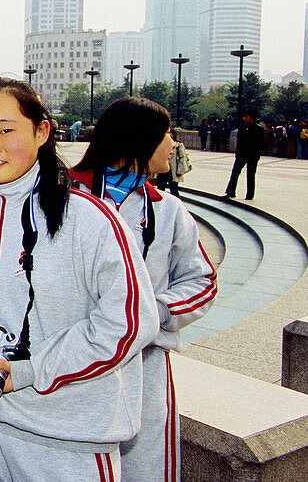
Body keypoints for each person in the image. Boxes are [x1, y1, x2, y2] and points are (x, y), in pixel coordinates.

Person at [0, 77, 158, 480]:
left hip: (68, 438)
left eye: (6, 130)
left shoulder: (91, 219)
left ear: (42, 131)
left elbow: (130, 324)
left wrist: (28, 371)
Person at [71, 97, 217, 481]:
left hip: (146, 363)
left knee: (146, 466)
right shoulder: (62, 199)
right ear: (138, 140)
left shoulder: (167, 210)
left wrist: (154, 313)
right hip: (74, 364)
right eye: (166, 134)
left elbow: (202, 279)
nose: (173, 143)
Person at [224, 110, 264, 200]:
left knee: (250, 175)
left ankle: (250, 195)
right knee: (235, 173)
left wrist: (257, 154)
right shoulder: (242, 128)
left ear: (252, 118)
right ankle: (230, 192)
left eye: (247, 116)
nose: (245, 118)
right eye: (244, 116)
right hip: (241, 155)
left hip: (252, 156)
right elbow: (239, 142)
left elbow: (261, 143)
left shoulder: (259, 129)